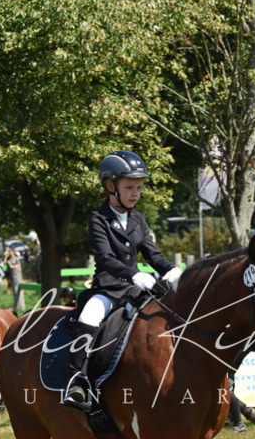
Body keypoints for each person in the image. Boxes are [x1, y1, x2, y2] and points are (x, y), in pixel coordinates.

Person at [64, 150, 182, 409]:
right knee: (89, 316)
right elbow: (105, 258)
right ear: (110, 186)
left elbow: (152, 252)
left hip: (136, 288)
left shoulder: (138, 218)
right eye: (129, 187)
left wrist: (171, 271)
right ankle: (77, 381)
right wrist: (133, 274)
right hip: (108, 288)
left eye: (139, 187)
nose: (135, 193)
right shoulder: (98, 219)